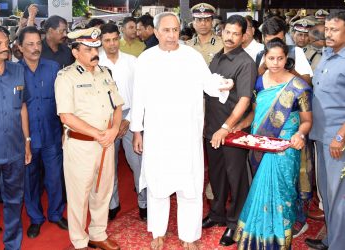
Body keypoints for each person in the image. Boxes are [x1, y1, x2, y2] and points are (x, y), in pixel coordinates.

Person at [131, 12, 232, 250]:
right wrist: (137, 130)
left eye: (175, 29)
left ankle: (189, 234)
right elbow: (139, 97)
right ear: (156, 32)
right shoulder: (145, 59)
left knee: (190, 185)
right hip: (158, 133)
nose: (171, 35)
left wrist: (223, 84)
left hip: (187, 133)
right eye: (165, 30)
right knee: (158, 184)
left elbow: (209, 84)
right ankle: (158, 232)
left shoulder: (192, 57)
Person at [233, 37, 312, 249]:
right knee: (259, 188)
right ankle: (255, 238)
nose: (275, 62)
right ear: (264, 59)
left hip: (285, 148)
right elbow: (255, 112)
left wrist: (300, 135)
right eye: (271, 58)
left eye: (280, 58)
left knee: (282, 192)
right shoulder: (258, 82)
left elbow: (306, 121)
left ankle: (278, 242)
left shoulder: (298, 86)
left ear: (287, 59)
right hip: (260, 143)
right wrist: (239, 125)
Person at [55, 27, 123, 250]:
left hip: (106, 143)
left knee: (102, 193)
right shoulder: (66, 77)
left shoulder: (104, 73)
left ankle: (97, 234)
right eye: (88, 49)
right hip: (81, 146)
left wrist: (113, 130)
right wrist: (98, 134)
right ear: (75, 52)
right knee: (79, 196)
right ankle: (79, 241)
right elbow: (66, 116)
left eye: (96, 48)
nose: (95, 53)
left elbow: (117, 106)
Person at [202, 15, 257, 247]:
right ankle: (217, 214)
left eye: (236, 33)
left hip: (232, 131)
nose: (230, 37)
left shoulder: (246, 62)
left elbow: (244, 100)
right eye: (227, 32)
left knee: (236, 179)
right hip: (211, 128)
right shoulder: (216, 58)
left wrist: (226, 128)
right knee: (216, 175)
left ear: (244, 35)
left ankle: (235, 224)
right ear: (221, 31)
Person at [18, 26, 67, 238]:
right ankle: (36, 218)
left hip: (52, 135)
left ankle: (56, 214)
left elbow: (64, 100)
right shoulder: (14, 71)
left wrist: (65, 128)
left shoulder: (54, 67)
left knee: (55, 178)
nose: (35, 48)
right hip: (27, 138)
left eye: (38, 43)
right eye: (29, 44)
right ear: (19, 47)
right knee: (30, 181)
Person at [99, 23, 147, 221]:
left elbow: (141, 93)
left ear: (119, 38)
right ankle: (112, 204)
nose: (111, 44)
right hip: (105, 120)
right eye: (107, 40)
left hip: (130, 117)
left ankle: (144, 203)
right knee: (109, 165)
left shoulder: (132, 61)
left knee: (138, 163)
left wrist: (128, 120)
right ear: (101, 42)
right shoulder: (96, 63)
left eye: (114, 39)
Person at [305, 11, 345, 250]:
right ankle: (332, 240)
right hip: (321, 136)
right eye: (327, 29)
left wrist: (340, 137)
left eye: (335, 30)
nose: (328, 34)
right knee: (328, 196)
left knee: (339, 196)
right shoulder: (328, 55)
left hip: (337, 140)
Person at [0, 25, 32, 250]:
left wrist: (27, 142)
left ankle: (12, 244)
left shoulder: (18, 71)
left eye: (4, 42)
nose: (4, 46)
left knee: (13, 201)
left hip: (15, 151)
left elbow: (23, 108)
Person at [258, 16, 313, 85]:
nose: (274, 45)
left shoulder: (296, 52)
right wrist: (263, 67)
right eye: (269, 41)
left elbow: (308, 83)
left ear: (284, 37)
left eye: (279, 41)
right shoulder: (260, 55)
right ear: (263, 38)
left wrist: (290, 69)